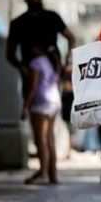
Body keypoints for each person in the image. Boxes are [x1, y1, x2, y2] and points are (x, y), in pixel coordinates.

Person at [6, 0, 76, 99]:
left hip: (34, 72)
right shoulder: (52, 17)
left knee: (35, 108)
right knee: (49, 107)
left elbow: (10, 55)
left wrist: (23, 68)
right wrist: (66, 62)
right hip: (49, 70)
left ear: (25, 0)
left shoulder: (17, 23)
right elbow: (71, 38)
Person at [22, 45, 61, 185]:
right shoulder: (51, 60)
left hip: (41, 102)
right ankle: (53, 175)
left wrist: (25, 106)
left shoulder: (36, 62)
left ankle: (43, 172)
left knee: (40, 140)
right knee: (50, 139)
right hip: (54, 101)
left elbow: (32, 87)